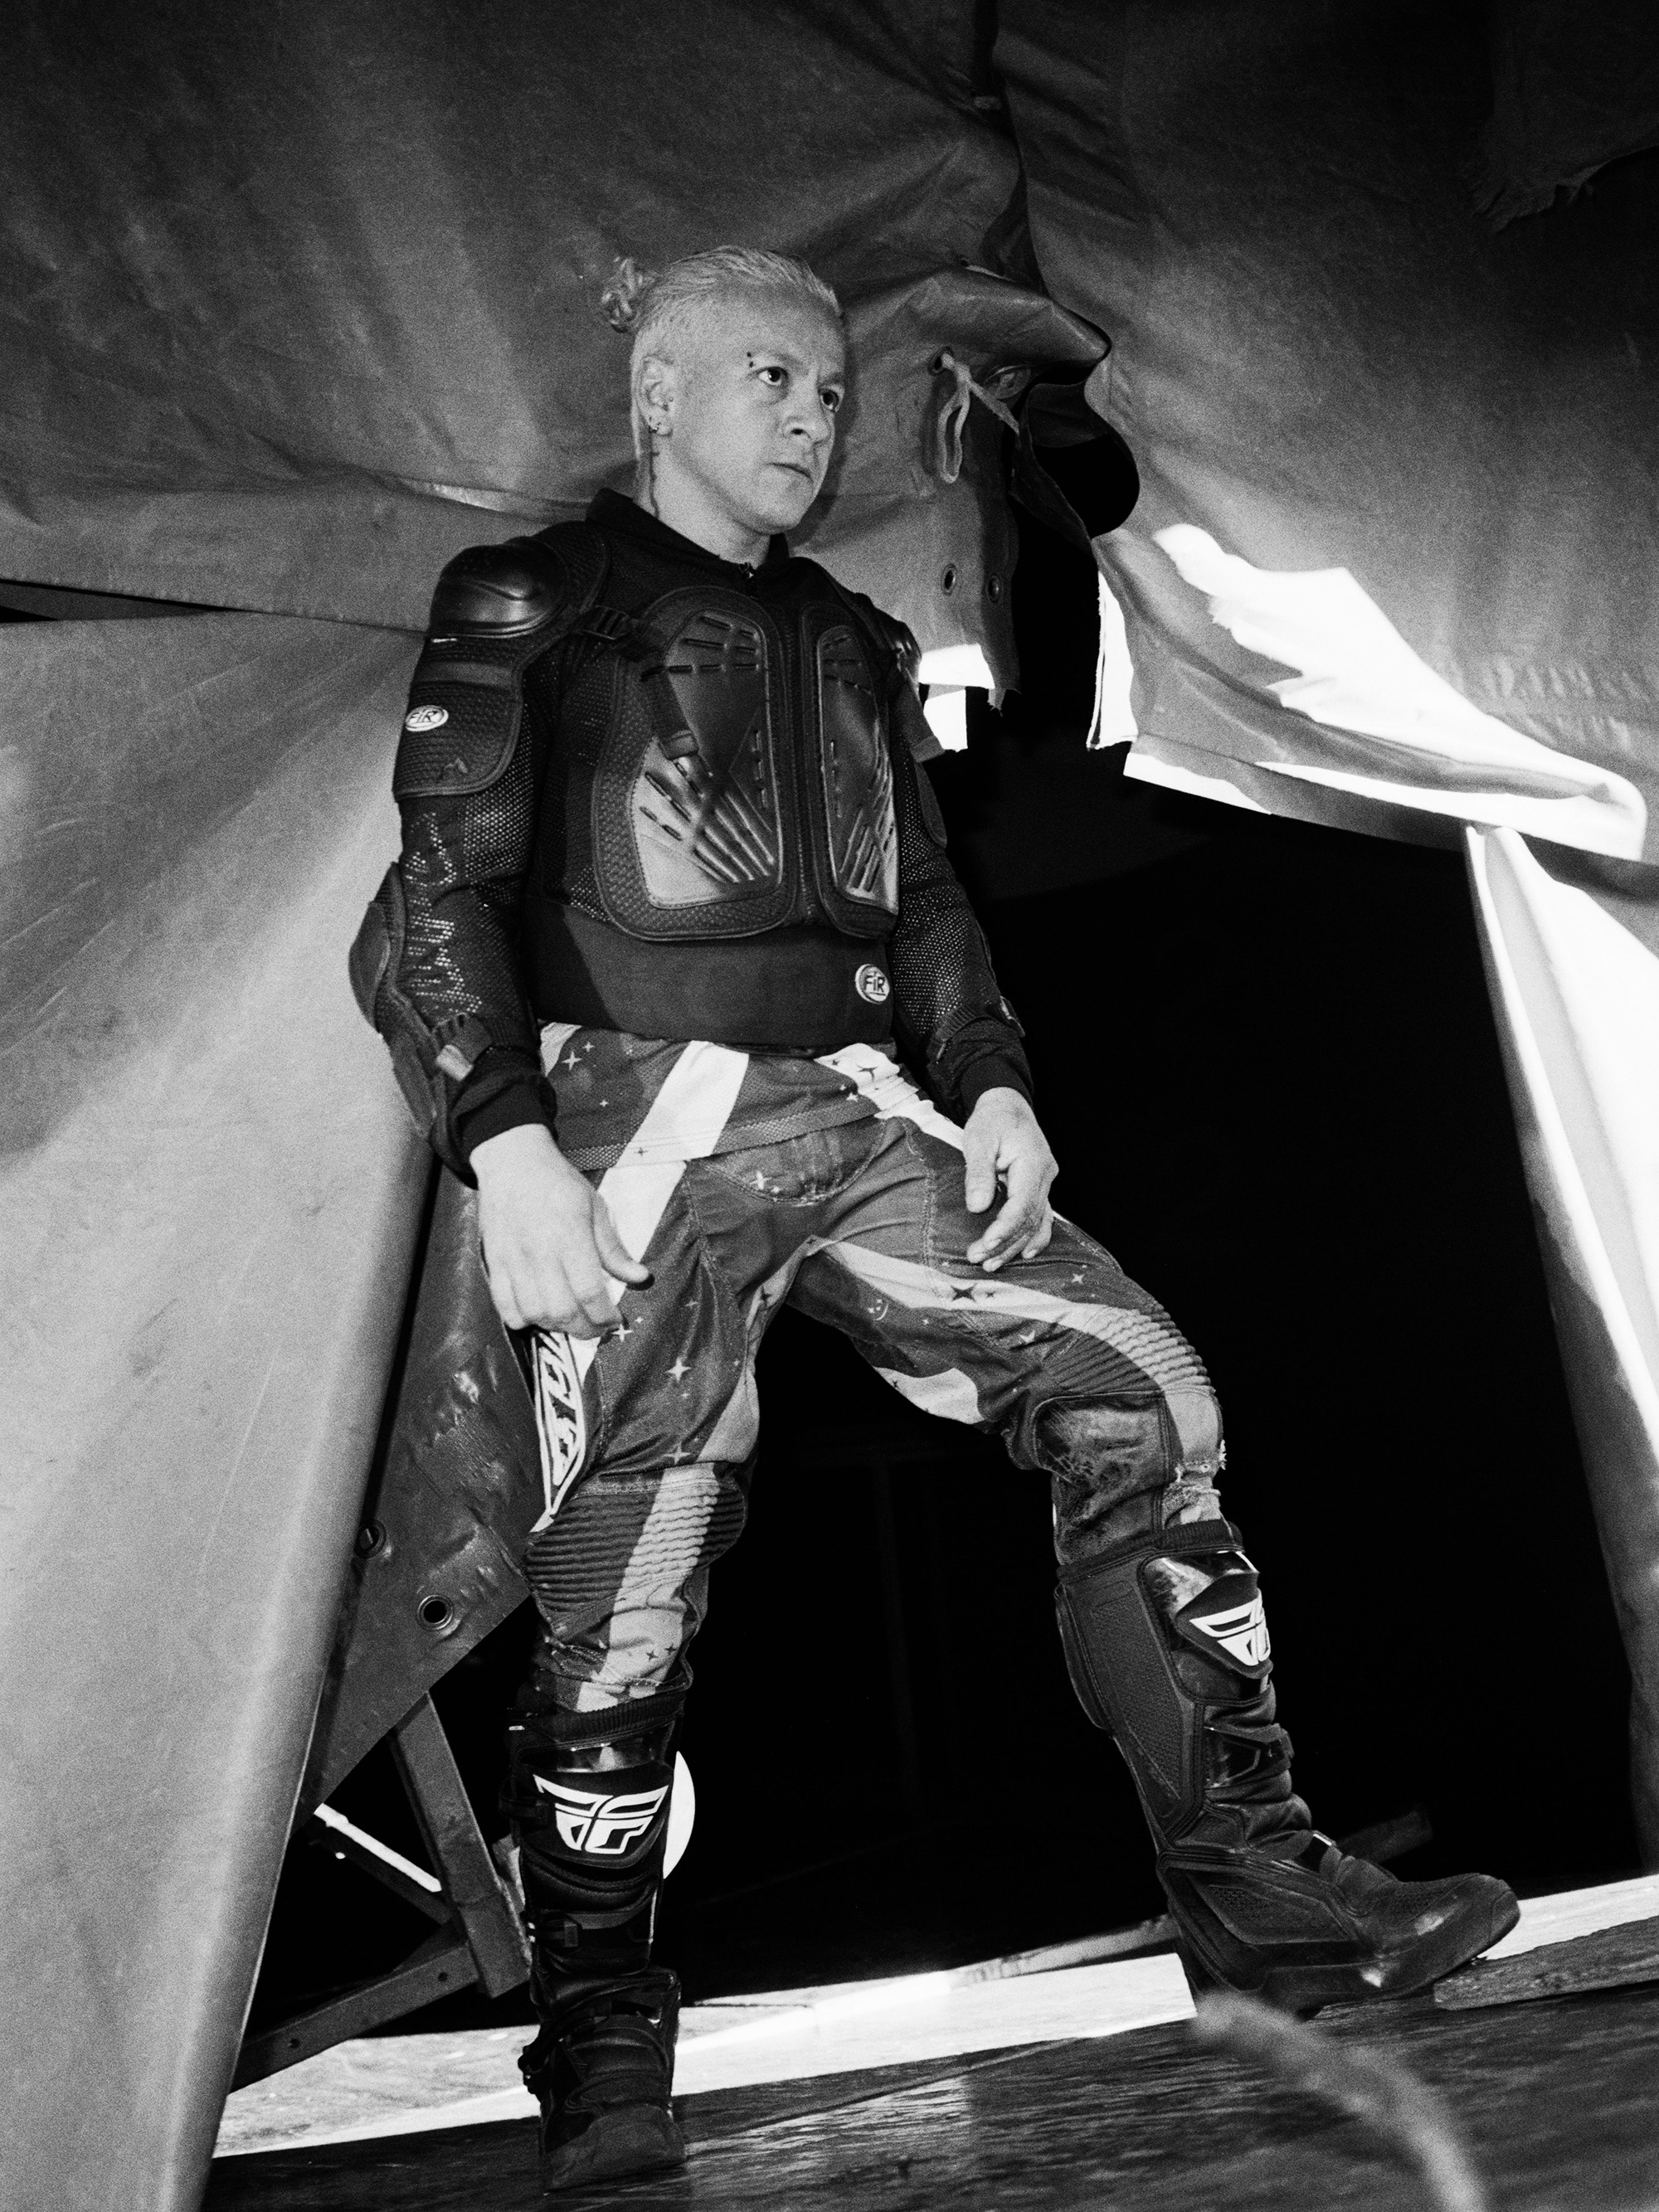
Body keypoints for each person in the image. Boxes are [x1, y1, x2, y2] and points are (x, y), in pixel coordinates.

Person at [350, 245, 1517, 2192]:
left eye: (828, 387)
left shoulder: (845, 634)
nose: (812, 416)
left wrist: (992, 1079)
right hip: (630, 1115)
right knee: (628, 1581)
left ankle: (1261, 1897)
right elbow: (436, 892)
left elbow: (930, 902)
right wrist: (506, 1143)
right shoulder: (532, 597)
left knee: (1138, 1391)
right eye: (769, 377)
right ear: (659, 395)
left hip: (849, 1101)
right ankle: (601, 2024)